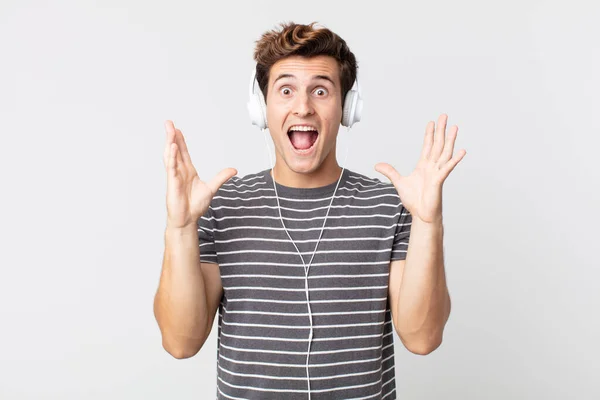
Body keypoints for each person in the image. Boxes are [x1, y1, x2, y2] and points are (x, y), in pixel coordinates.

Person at [154, 21, 466, 400]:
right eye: (285, 90)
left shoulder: (391, 206)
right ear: (261, 107)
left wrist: (428, 223)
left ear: (347, 107)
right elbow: (180, 342)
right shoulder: (221, 205)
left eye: (321, 90)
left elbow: (422, 337)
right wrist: (181, 227)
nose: (303, 107)